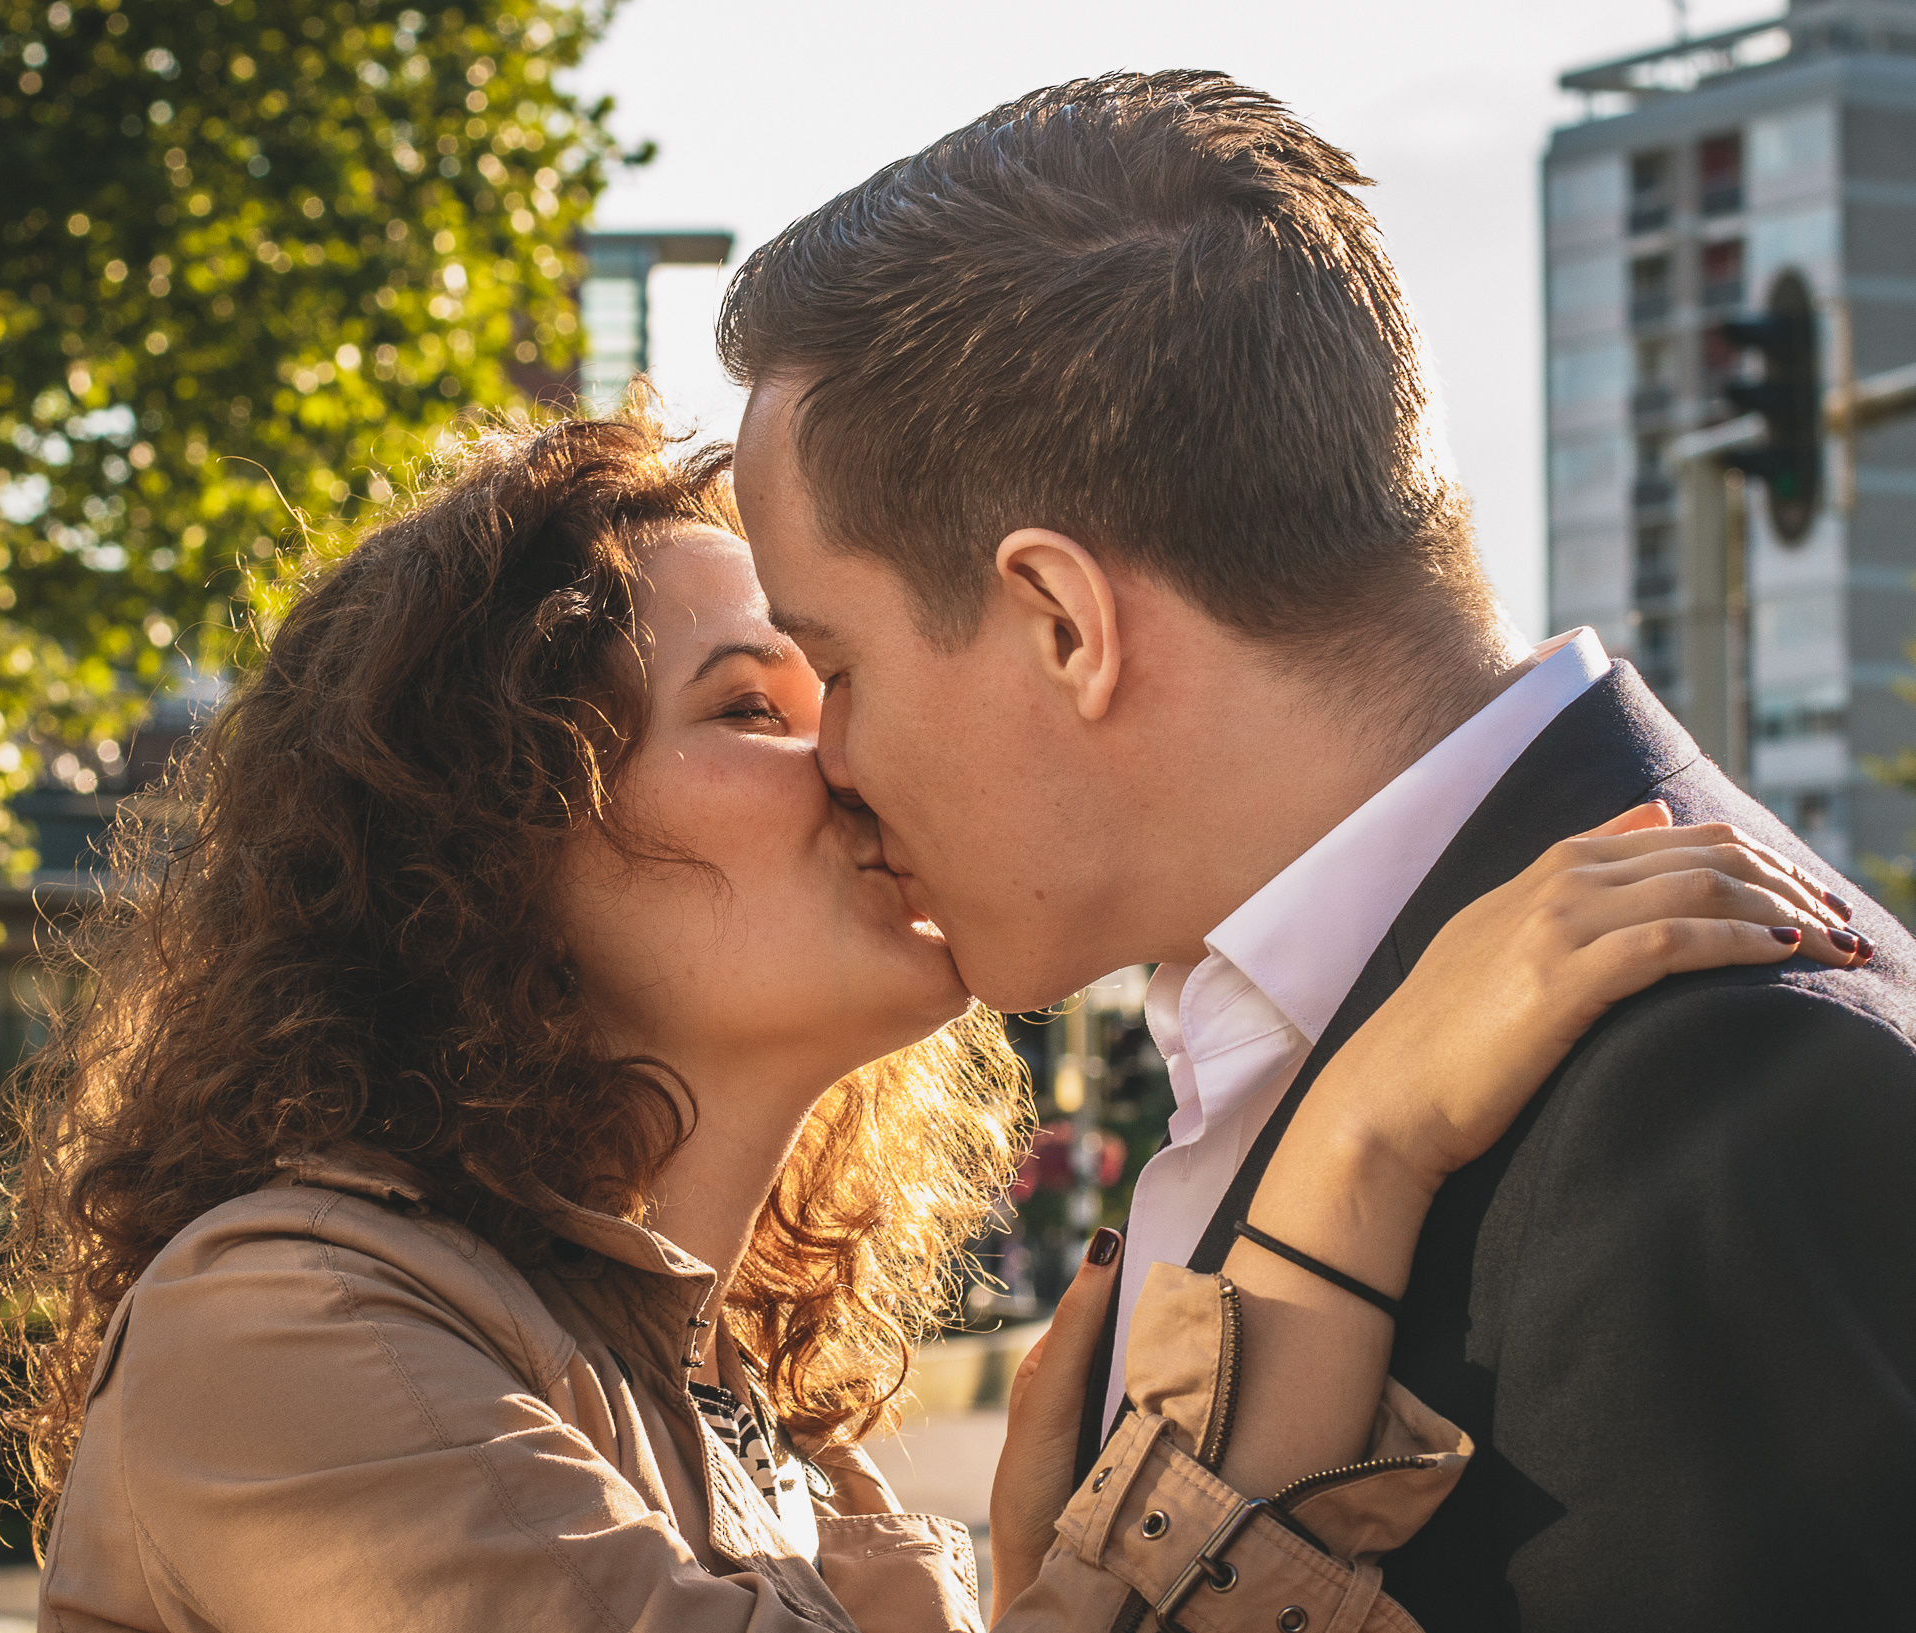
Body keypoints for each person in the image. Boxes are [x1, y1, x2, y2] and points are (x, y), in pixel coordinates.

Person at [0, 407, 1860, 1633]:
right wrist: (1353, 1146)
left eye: (845, 682)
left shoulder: (786, 1449)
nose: (857, 757)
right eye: (752, 704)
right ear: (487, 842)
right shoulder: (287, 1328)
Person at [719, 71, 1916, 1630]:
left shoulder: (1704, 1089)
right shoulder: (1321, 1021)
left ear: (1064, 623)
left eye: (839, 662)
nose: (834, 761)